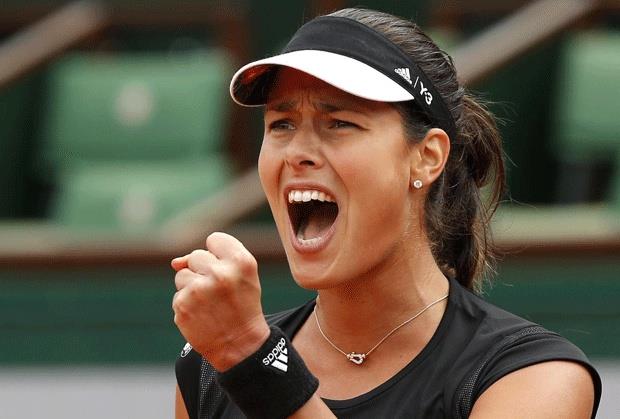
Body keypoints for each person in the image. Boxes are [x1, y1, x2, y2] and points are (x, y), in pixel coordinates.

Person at [171, 8, 602, 419]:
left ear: (427, 158)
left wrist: (251, 355)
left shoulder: (535, 375)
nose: (297, 152)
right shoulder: (209, 367)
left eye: (339, 123)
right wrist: (246, 353)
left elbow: (250, 356)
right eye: (281, 124)